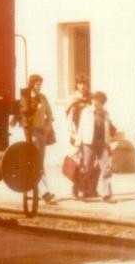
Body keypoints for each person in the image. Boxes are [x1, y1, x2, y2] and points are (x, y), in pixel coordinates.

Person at [14, 73, 56, 202]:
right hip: (32, 133)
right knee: (35, 161)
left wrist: (48, 127)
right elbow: (22, 115)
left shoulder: (43, 98)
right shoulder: (26, 98)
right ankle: (45, 193)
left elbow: (50, 114)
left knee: (39, 162)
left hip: (42, 132)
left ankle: (32, 191)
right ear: (32, 84)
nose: (39, 87)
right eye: (38, 84)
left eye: (41, 84)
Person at [73, 90, 116, 201]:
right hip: (88, 143)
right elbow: (81, 128)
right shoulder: (86, 112)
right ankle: (78, 189)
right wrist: (78, 144)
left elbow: (107, 130)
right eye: (94, 100)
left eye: (98, 101)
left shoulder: (106, 113)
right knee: (86, 168)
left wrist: (108, 144)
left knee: (106, 169)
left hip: (102, 143)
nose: (95, 102)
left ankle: (106, 194)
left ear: (102, 103)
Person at [65, 74, 91, 142]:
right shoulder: (73, 97)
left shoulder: (91, 97)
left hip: (89, 126)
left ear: (88, 85)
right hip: (77, 126)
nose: (82, 86)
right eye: (80, 84)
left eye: (84, 84)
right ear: (77, 85)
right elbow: (66, 111)